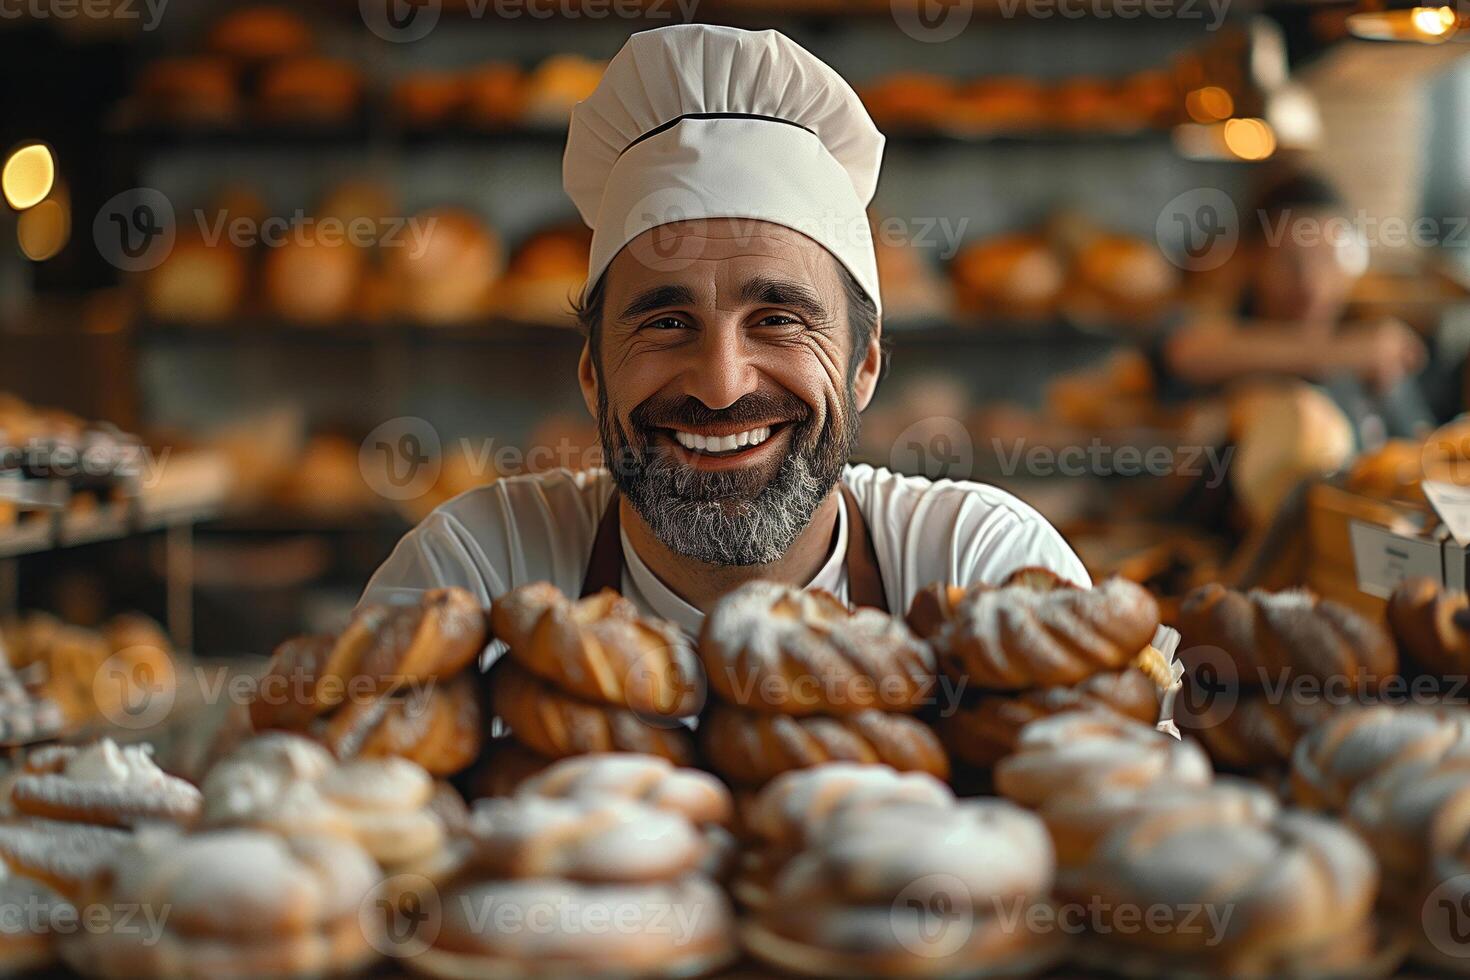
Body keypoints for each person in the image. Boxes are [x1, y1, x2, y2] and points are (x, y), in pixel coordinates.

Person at [360, 24, 1087, 636]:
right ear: (593, 373)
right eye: (667, 323)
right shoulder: (475, 573)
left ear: (863, 364)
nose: (719, 385)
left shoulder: (982, 568)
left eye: (777, 321)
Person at [1154, 171, 1429, 438]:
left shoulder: (1370, 344)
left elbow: (1422, 451)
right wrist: (1343, 351)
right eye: (1289, 262)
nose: (1311, 285)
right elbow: (1187, 352)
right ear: (1253, 261)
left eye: (1327, 258)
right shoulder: (1219, 332)